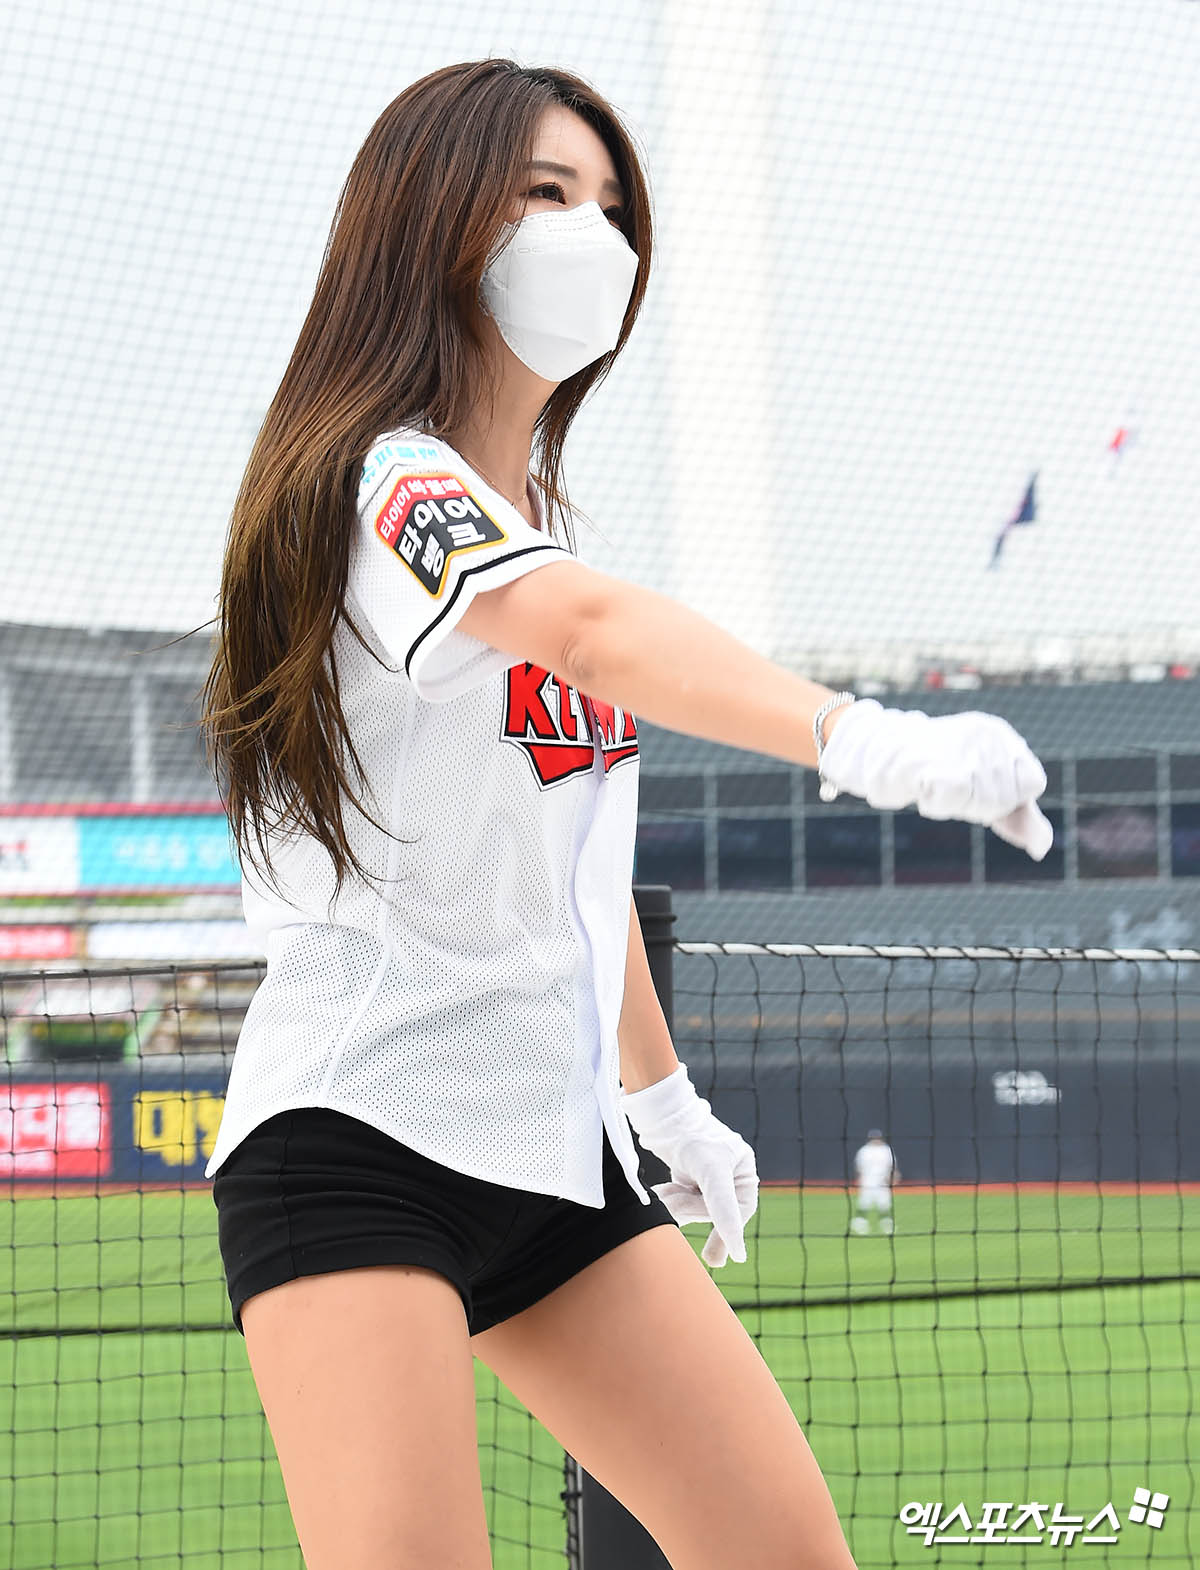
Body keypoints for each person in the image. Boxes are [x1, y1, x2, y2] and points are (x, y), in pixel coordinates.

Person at [196, 58, 1053, 1570]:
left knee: (787, 1549)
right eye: (546, 192)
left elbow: (578, 875)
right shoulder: (389, 487)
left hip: (555, 1149)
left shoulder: (537, 529)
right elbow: (589, 629)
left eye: (610, 204)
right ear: (433, 220)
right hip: (355, 1137)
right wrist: (863, 738)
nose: (591, 234)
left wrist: (662, 1102)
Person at [851, 1129, 900, 1235]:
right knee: (864, 1204)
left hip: (883, 1183)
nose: (876, 1140)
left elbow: (892, 1167)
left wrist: (894, 1178)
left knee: (884, 1205)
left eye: (877, 1138)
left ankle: (887, 1226)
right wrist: (859, 1179)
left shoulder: (886, 1150)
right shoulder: (864, 1151)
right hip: (867, 1182)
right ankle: (859, 1224)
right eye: (873, 1138)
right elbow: (859, 1167)